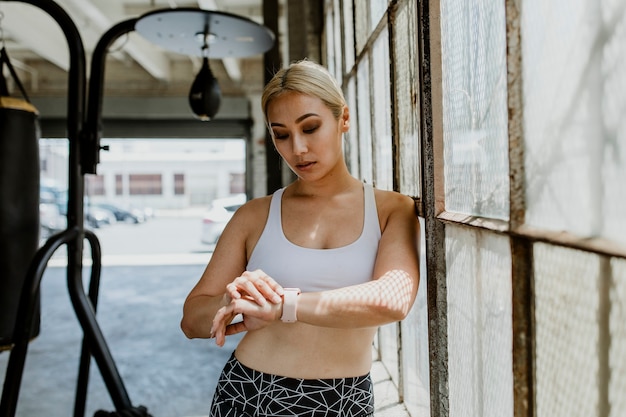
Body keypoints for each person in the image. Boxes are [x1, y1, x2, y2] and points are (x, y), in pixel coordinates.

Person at [181, 59, 420, 417]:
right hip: (250, 394)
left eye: (310, 127)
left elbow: (392, 299)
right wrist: (232, 303)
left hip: (344, 401)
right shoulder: (254, 215)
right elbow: (191, 319)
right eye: (281, 134)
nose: (298, 149)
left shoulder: (391, 209)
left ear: (344, 119)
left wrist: (284, 305)